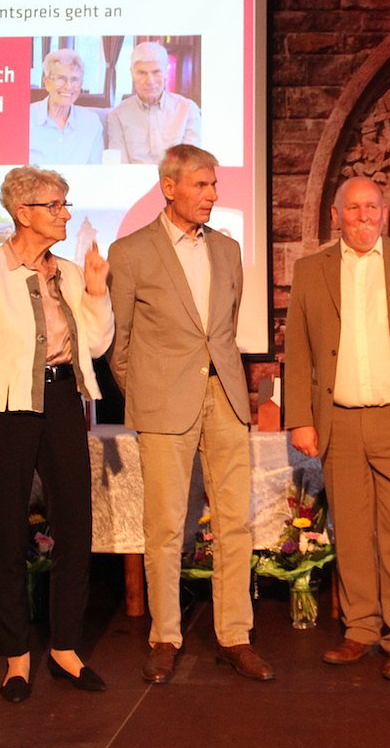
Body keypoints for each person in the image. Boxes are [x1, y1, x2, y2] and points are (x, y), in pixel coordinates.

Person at [0, 165, 114, 704]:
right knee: (3, 531)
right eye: (55, 205)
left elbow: (94, 346)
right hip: (4, 410)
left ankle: (65, 647)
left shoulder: (69, 271)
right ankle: (16, 655)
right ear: (23, 213)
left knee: (75, 525)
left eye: (66, 204)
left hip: (63, 401)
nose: (65, 213)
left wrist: (96, 292)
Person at [107, 144, 271, 684]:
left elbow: (224, 329)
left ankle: (235, 635)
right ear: (169, 186)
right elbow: (119, 343)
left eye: (214, 185)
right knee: (165, 525)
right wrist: (148, 391)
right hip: (163, 401)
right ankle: (165, 636)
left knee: (235, 521)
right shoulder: (131, 251)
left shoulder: (226, 248)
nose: (213, 195)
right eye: (202, 184)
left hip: (224, 396)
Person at [285, 176, 390, 681]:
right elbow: (298, 348)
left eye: (372, 207)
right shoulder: (311, 270)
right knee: (352, 533)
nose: (364, 216)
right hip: (338, 422)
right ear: (335, 215)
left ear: (383, 212)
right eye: (353, 208)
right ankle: (360, 628)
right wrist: (300, 418)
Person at [106, 41, 202, 165]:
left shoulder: (188, 109)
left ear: (166, 72)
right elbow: (119, 167)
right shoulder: (117, 116)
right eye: (142, 73)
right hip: (134, 177)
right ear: (132, 73)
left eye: (156, 72)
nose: (150, 81)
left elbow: (190, 163)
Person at [29, 48, 104, 166]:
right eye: (61, 79)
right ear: (47, 82)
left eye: (74, 80)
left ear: (81, 84)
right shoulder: (25, 118)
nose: (68, 87)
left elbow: (96, 170)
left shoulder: (91, 122)